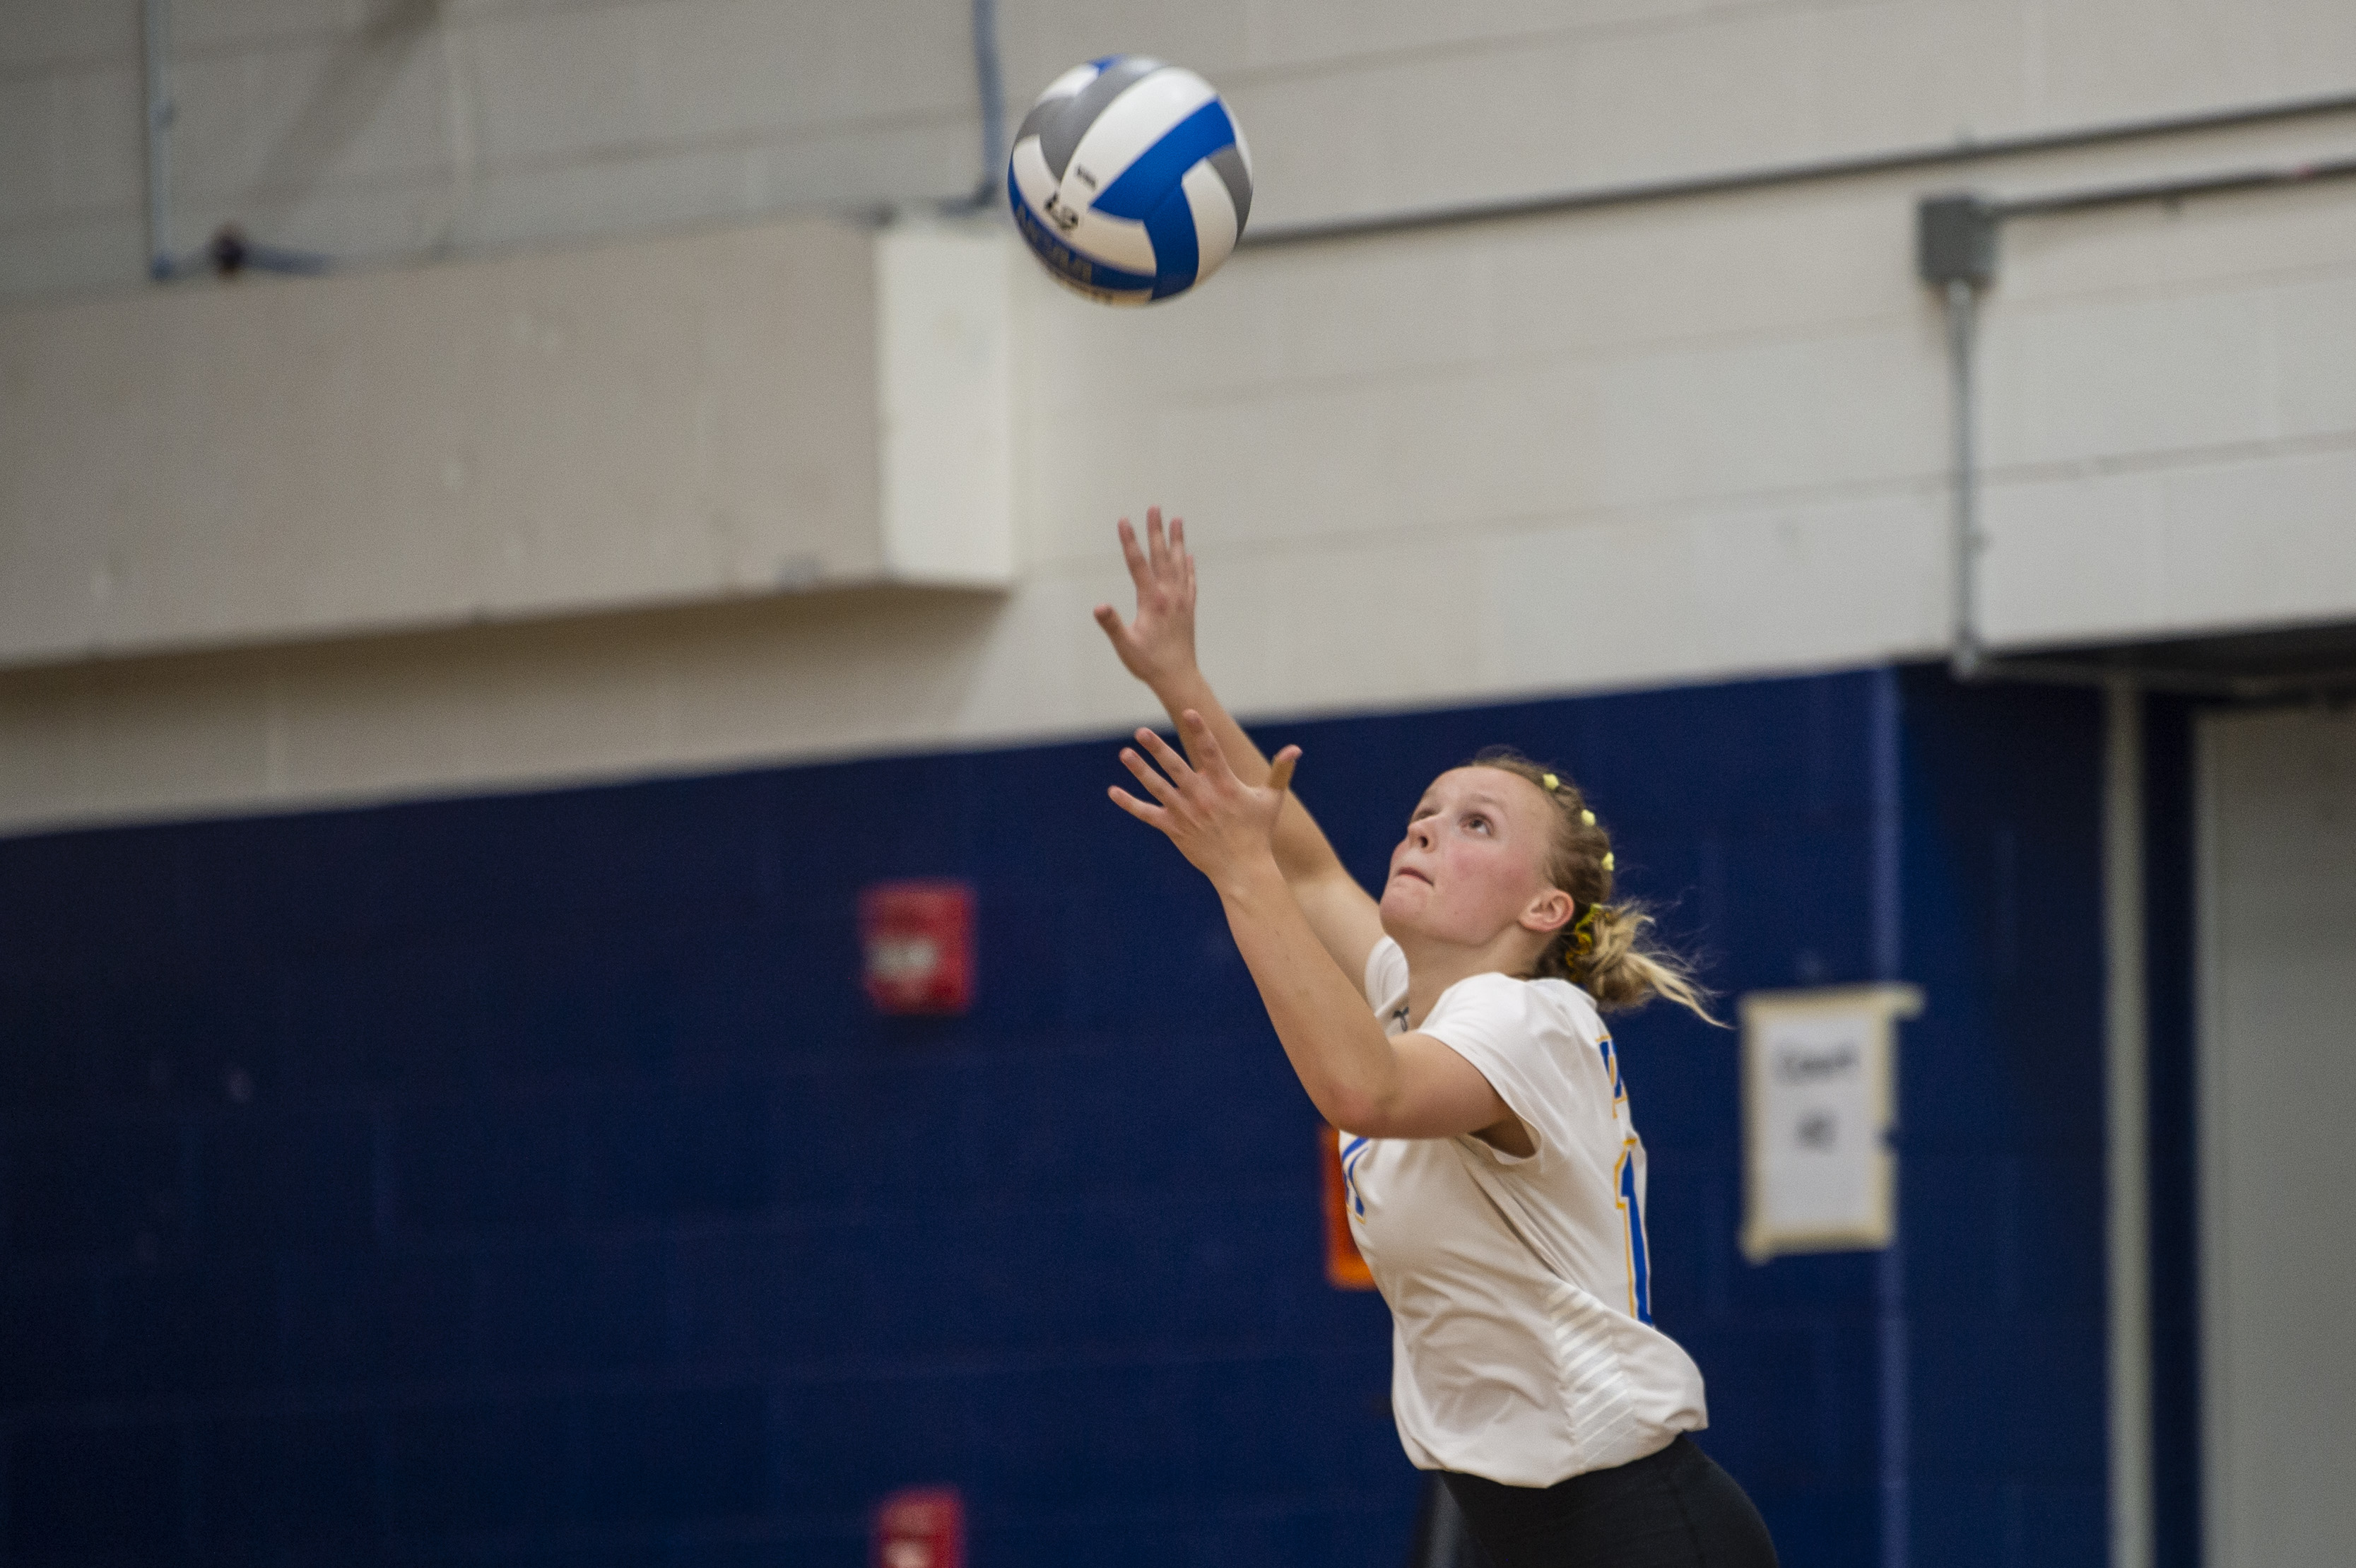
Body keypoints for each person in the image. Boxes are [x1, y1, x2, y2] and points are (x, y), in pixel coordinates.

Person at [1093, 510, 1779, 1568]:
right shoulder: (1410, 1001)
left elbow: (1363, 1093)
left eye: (1476, 825)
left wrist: (1238, 872)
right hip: (1526, 1530)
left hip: (1634, 1530)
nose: (1424, 827)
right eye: (1427, 810)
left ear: (1544, 909)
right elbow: (1306, 866)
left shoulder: (1529, 1019)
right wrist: (1178, 676)